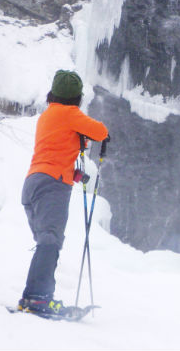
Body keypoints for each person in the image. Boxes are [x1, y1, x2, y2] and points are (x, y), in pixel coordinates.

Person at [18, 70, 108, 316]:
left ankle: (33, 297)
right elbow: (100, 131)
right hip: (52, 186)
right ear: (76, 98)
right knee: (50, 241)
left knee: (47, 241)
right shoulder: (68, 114)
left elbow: (54, 153)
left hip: (34, 182)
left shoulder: (48, 116)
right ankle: (38, 298)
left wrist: (74, 175)